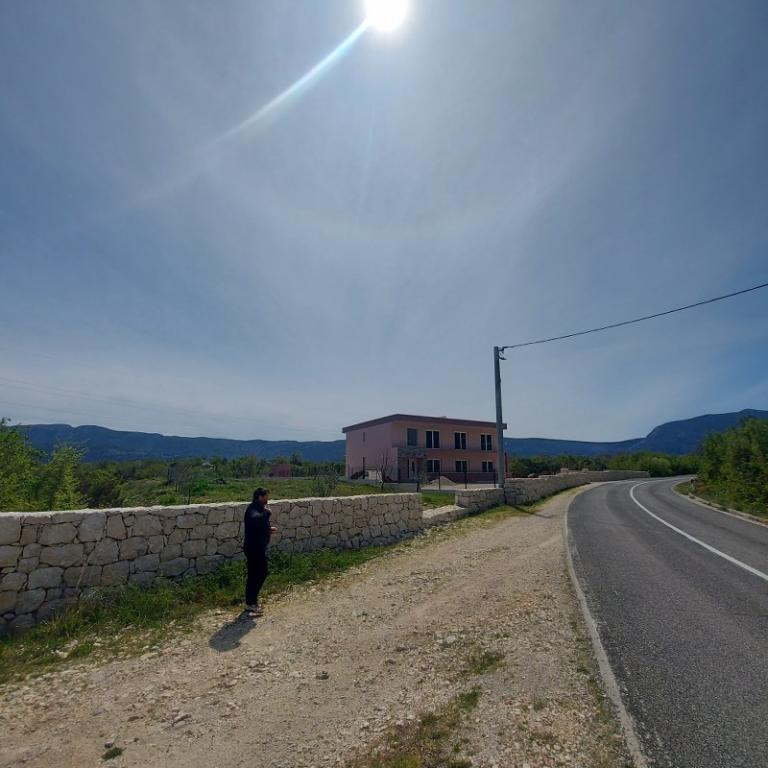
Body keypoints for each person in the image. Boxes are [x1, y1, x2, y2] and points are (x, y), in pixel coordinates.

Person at [243, 487, 277, 617]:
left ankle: (251, 603)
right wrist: (267, 514)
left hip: (256, 547)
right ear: (260, 497)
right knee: (260, 573)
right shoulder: (253, 509)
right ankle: (251, 603)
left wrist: (268, 529)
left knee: (255, 575)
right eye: (266, 496)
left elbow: (258, 526)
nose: (268, 498)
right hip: (254, 548)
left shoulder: (258, 508)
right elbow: (255, 520)